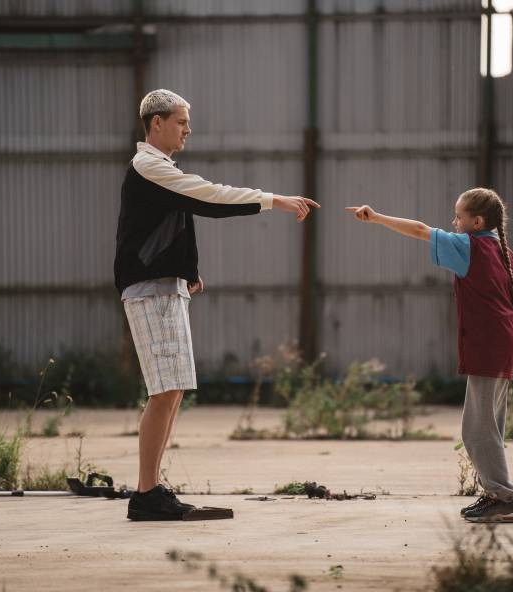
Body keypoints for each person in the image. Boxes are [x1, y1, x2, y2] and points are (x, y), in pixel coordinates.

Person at [115, 89, 319, 521]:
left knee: (173, 389)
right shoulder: (149, 166)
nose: (188, 128)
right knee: (163, 390)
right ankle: (146, 492)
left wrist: (186, 270)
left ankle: (151, 489)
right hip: (150, 290)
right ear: (156, 123)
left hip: (165, 286)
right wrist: (272, 200)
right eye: (181, 121)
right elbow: (207, 197)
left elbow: (170, 224)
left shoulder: (161, 170)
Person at [345, 187, 513, 523]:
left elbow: (420, 230)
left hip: (488, 344)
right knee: (489, 425)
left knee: (477, 430)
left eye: (459, 217)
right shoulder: (504, 253)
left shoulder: (469, 246)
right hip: (504, 342)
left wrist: (376, 218)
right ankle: (496, 494)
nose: (454, 222)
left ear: (476, 221)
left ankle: (503, 498)